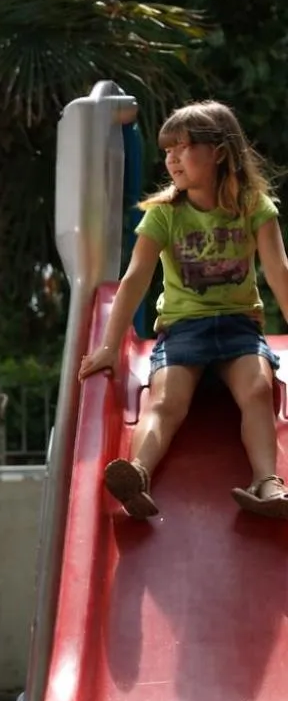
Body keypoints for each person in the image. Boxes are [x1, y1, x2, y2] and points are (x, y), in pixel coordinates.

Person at [79, 100, 288, 519]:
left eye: (184, 147)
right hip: (182, 329)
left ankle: (268, 483)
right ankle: (137, 475)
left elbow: (279, 269)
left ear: (219, 152)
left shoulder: (253, 208)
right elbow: (135, 278)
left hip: (239, 327)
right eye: (168, 150)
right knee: (167, 398)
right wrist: (108, 345)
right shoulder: (164, 215)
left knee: (258, 389)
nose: (172, 158)